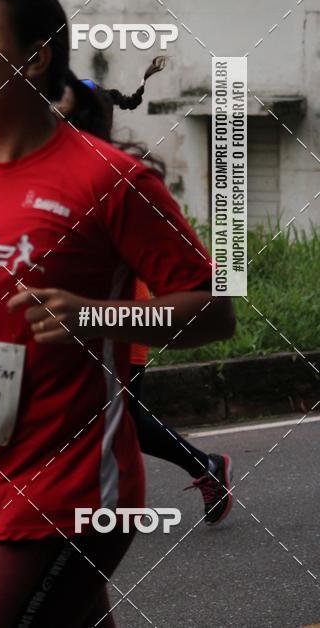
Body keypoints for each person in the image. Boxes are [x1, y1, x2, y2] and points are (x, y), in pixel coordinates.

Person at [0, 0, 236, 628]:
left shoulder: (111, 179)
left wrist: (97, 317)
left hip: (73, 493)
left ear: (34, 57)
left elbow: (215, 312)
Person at [61, 74, 233, 525]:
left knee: (124, 421)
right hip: (69, 333)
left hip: (121, 328)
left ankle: (202, 466)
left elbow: (204, 294)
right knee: (104, 421)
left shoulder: (115, 177)